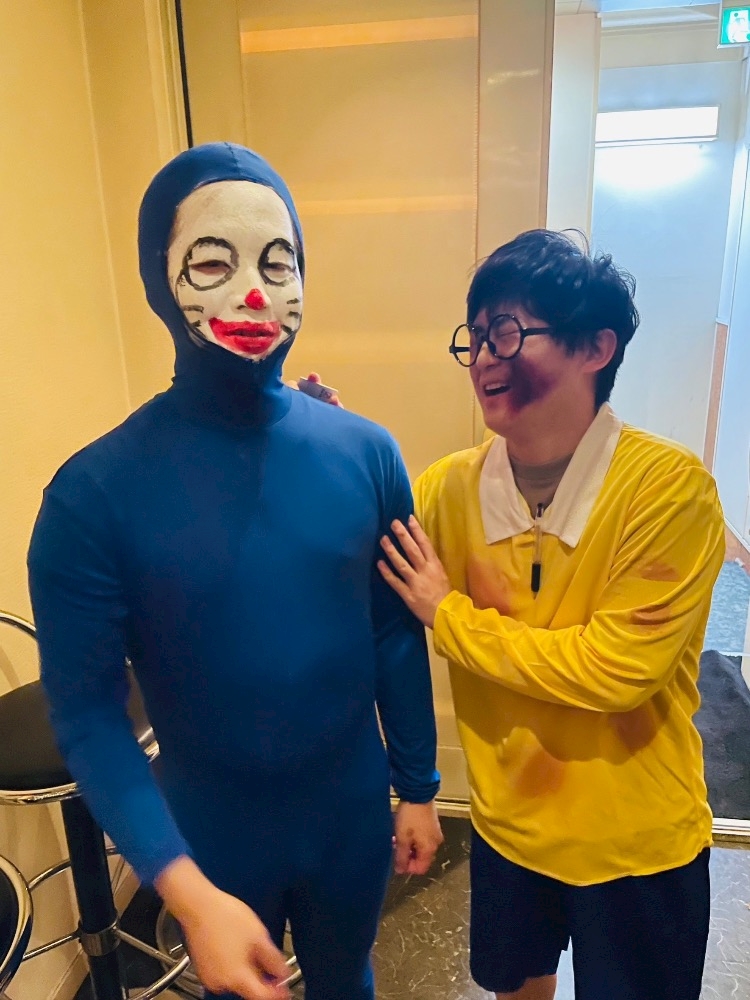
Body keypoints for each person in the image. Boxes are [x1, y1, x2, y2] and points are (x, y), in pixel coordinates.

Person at [27, 142, 442, 1000]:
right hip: (212, 835)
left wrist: (418, 785)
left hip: (350, 815)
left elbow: (394, 632)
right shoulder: (91, 495)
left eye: (277, 262)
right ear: (160, 278)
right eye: (213, 263)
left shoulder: (368, 452)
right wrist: (183, 889)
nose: (253, 291)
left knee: (348, 982)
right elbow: (89, 715)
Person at [376, 230, 724, 1000]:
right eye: (475, 337)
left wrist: (449, 616)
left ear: (596, 347)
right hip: (510, 830)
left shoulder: (669, 490)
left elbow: (614, 672)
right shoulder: (447, 489)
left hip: (637, 845)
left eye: (508, 331)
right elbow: (363, 560)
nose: (485, 357)